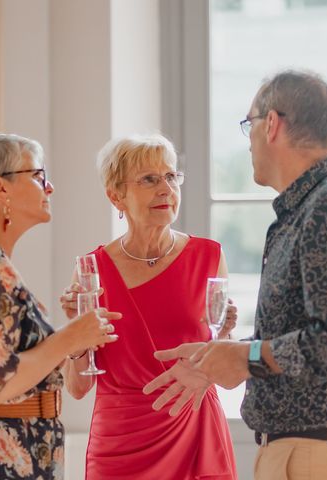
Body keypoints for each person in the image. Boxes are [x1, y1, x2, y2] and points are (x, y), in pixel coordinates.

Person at [144, 70, 327, 480]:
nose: (250, 141)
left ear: (272, 124)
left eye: (250, 126)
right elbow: (309, 338)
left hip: (319, 458)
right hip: (302, 453)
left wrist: (247, 356)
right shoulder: (307, 210)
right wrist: (218, 359)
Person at [0, 133, 121, 480]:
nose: (49, 187)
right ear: (0, 189)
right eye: (36, 175)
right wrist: (70, 338)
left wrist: (73, 336)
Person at [59, 134, 238, 479]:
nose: (165, 189)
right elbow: (78, 388)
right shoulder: (92, 270)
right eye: (149, 179)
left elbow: (225, 365)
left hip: (195, 433)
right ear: (116, 196)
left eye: (171, 177)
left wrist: (226, 333)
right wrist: (77, 336)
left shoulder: (209, 257)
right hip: (119, 444)